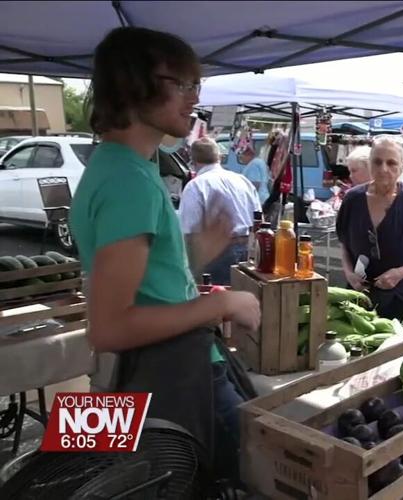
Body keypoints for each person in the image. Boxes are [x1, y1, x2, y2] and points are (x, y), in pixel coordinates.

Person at [69, 27, 260, 482]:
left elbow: (148, 285)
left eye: (197, 84)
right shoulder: (129, 180)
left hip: (157, 376)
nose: (194, 98)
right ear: (134, 83)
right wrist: (220, 304)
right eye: (183, 84)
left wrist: (194, 254)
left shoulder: (118, 166)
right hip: (177, 379)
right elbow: (110, 327)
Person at [336, 135, 403, 327]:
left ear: (402, 166)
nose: (383, 169)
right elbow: (344, 243)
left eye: (391, 162)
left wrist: (400, 273)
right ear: (369, 164)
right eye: (377, 161)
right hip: (360, 297)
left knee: (401, 353)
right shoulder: (353, 199)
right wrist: (349, 273)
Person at [179, 137, 263, 285]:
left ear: (194, 160)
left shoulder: (196, 186)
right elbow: (259, 219)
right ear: (218, 157)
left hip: (217, 251)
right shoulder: (242, 181)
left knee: (216, 301)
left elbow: (190, 231)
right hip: (248, 249)